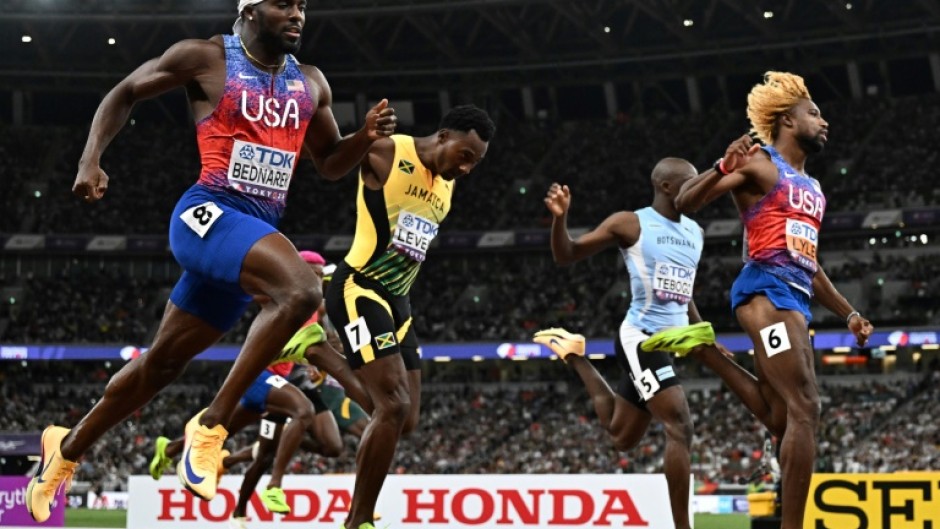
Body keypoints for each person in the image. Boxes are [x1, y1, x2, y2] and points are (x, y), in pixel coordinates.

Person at [26, 0, 397, 521]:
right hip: (207, 212)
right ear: (248, 9)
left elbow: (330, 163)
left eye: (303, 6)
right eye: (284, 3)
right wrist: (91, 159)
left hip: (251, 233)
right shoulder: (205, 58)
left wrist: (364, 138)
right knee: (302, 291)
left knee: (162, 364)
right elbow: (124, 91)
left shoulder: (311, 82)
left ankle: (63, 451)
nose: (298, 14)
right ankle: (212, 424)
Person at [672, 71, 873, 529]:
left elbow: (810, 264)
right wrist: (722, 168)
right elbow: (685, 203)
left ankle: (704, 350)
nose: (825, 122)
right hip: (765, 291)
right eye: (814, 113)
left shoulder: (814, 188)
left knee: (779, 415)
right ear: (786, 119)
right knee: (808, 406)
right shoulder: (761, 163)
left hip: (794, 297)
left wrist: (850, 314)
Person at [325, 105, 495, 529]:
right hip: (358, 288)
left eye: (475, 161)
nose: (468, 168)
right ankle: (358, 519)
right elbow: (328, 163)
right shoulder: (386, 150)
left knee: (406, 419)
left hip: (399, 303)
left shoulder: (447, 186)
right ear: (442, 136)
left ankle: (321, 355)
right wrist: (362, 135)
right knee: (393, 404)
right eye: (465, 154)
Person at [533, 158, 725, 529]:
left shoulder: (695, 232)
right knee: (680, 425)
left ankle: (575, 356)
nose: (698, 187)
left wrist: (705, 334)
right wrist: (560, 218)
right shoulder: (631, 222)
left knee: (622, 437)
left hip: (670, 344)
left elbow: (685, 293)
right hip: (641, 339)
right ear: (666, 186)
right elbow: (566, 254)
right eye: (690, 182)